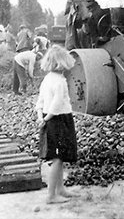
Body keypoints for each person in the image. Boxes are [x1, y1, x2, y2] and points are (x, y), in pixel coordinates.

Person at [35, 45, 79, 204]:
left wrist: (41, 116)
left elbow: (40, 101)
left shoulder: (47, 79)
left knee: (58, 157)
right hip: (59, 120)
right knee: (57, 159)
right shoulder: (60, 81)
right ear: (62, 63)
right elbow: (57, 103)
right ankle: (51, 196)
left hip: (48, 118)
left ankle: (60, 189)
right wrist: (47, 119)